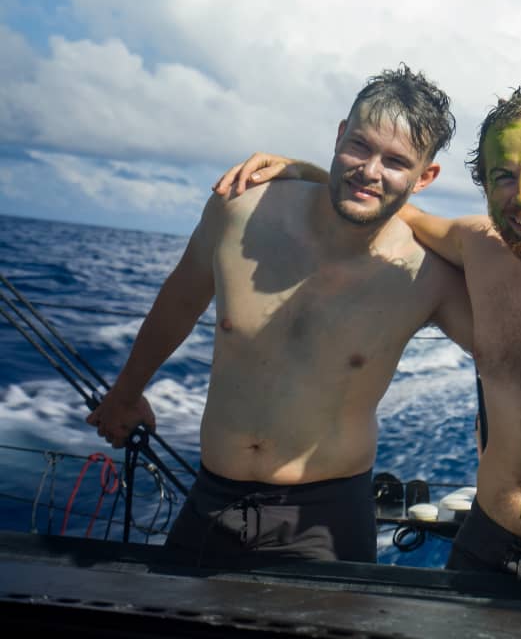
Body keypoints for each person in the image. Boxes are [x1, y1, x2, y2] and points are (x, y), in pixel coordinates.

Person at [214, 87, 521, 628]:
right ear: (483, 184)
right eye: (502, 176)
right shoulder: (478, 249)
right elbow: (397, 210)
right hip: (479, 545)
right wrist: (305, 170)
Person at [87, 65, 473, 566]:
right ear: (338, 136)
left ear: (425, 177)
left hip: (326, 519)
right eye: (359, 146)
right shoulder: (241, 212)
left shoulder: (427, 274)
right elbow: (178, 303)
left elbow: (509, 357)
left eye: (396, 161)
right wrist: (125, 394)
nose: (370, 170)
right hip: (210, 497)